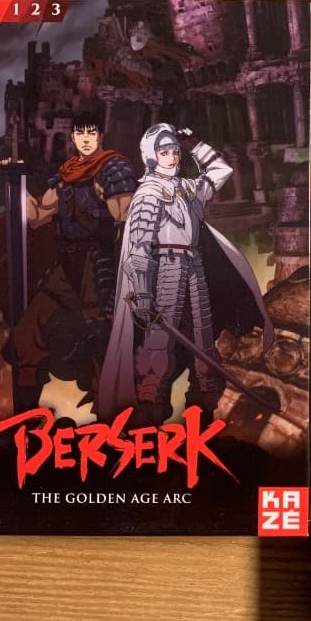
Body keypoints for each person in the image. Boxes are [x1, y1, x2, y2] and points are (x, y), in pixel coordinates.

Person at [99, 123, 273, 425]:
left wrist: (195, 146)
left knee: (203, 338)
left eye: (175, 151)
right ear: (151, 156)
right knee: (157, 343)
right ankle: (151, 405)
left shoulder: (187, 189)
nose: (172, 156)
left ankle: (204, 404)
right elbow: (139, 247)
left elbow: (220, 171)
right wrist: (142, 292)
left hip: (194, 266)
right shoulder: (148, 194)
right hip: (165, 269)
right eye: (164, 152)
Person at [9, 111, 137, 410]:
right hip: (67, 264)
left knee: (101, 336)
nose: (85, 139)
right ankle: (25, 410)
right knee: (28, 329)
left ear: (100, 136)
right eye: (80, 133)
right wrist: (16, 183)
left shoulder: (114, 168)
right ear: (73, 137)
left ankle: (112, 408)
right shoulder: (67, 174)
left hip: (101, 261)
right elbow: (39, 217)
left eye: (91, 133)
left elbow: (126, 216)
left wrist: (111, 196)